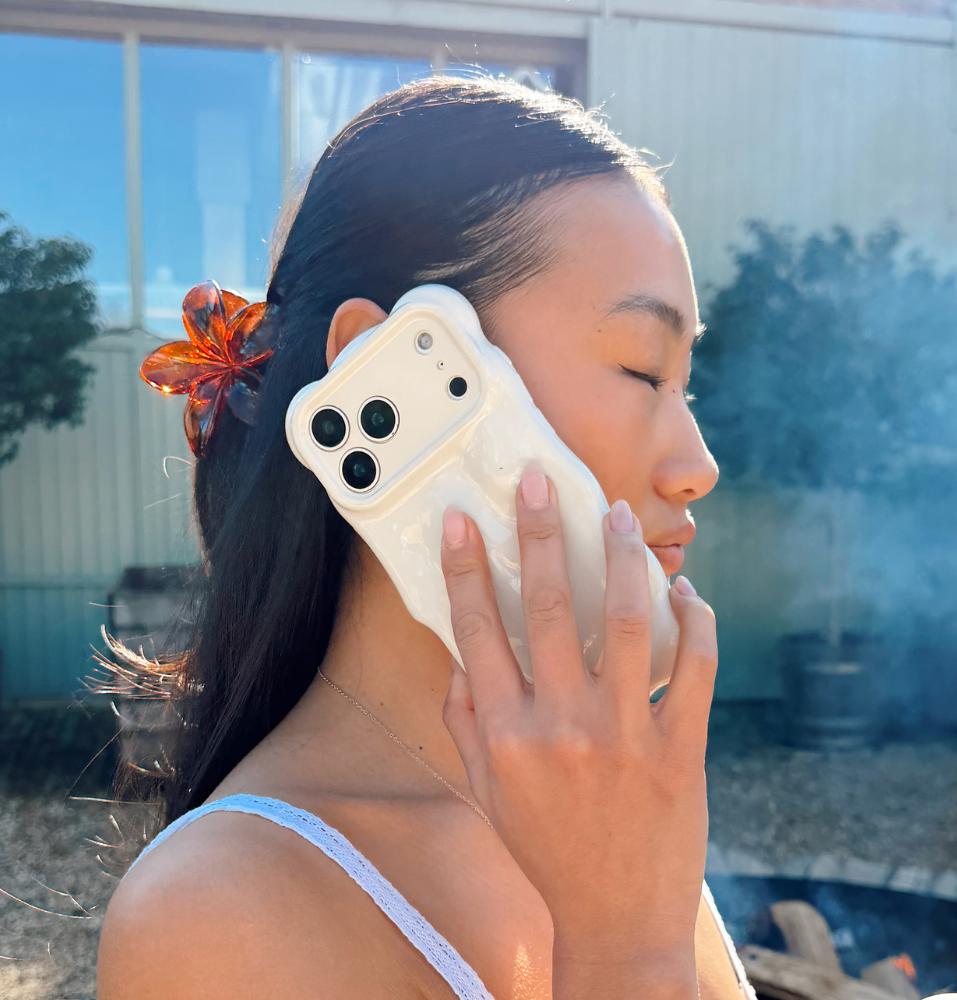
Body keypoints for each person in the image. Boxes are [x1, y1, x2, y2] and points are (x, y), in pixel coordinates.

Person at [97, 76, 753, 1000]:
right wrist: (622, 951)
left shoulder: (603, 814)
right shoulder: (215, 915)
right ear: (383, 376)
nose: (698, 465)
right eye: (643, 371)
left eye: (687, 383)